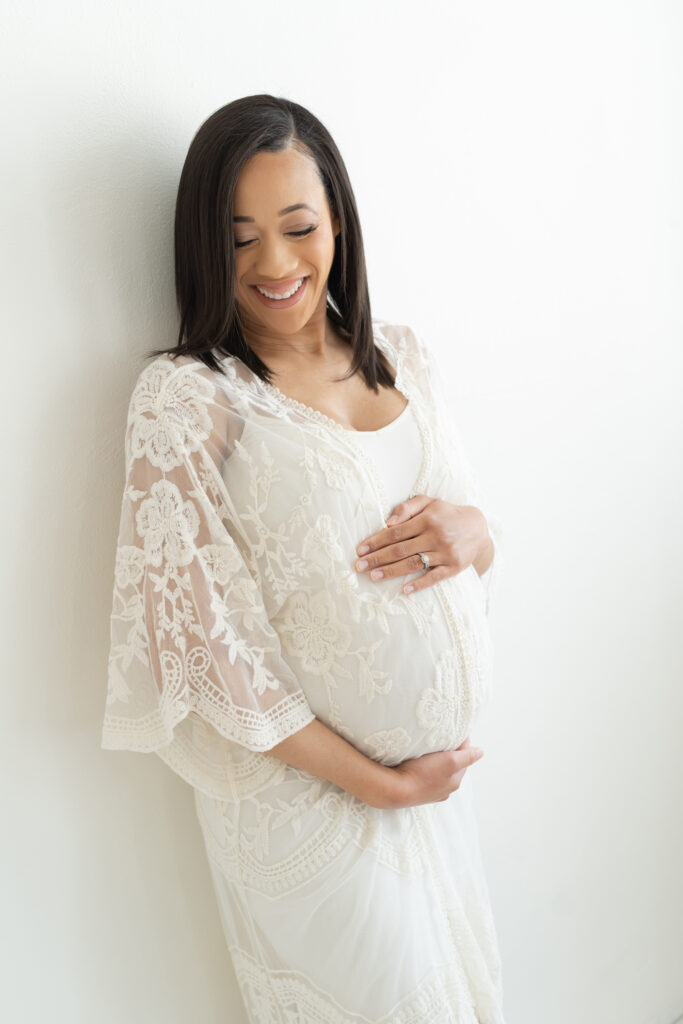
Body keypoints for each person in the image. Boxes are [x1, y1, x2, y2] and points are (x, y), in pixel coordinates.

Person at [101, 93, 506, 1023]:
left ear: (338, 223)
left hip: (432, 803)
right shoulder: (191, 398)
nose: (275, 264)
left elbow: (463, 550)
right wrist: (386, 784)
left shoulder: (403, 358)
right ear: (203, 244)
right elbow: (205, 657)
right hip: (309, 810)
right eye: (240, 238)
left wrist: (481, 536)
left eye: (297, 226)